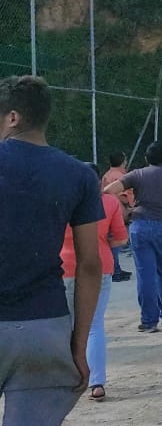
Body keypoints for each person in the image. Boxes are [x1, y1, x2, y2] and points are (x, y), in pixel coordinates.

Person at [0, 75, 104, 425]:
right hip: (45, 328)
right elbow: (90, 265)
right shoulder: (79, 175)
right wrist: (79, 343)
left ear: (12, 117)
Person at [61, 174, 127, 401]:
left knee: (65, 324)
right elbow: (121, 238)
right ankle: (97, 382)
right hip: (101, 265)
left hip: (64, 266)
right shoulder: (109, 202)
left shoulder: (61, 200)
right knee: (94, 325)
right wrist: (102, 242)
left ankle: (67, 380)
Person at [112, 142, 162, 332]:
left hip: (140, 226)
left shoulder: (137, 174)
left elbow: (108, 191)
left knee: (145, 274)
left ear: (146, 159)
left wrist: (126, 210)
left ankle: (149, 321)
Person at [100, 152, 132, 283]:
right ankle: (115, 270)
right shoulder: (122, 176)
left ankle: (116, 268)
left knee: (110, 240)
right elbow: (124, 195)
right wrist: (130, 207)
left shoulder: (107, 174)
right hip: (119, 210)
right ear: (123, 161)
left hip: (107, 209)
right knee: (117, 240)